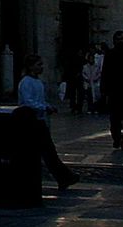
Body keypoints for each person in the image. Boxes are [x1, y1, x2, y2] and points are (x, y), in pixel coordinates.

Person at [16, 56, 79, 189]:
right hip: (30, 121)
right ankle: (64, 177)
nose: (41, 67)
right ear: (31, 66)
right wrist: (44, 107)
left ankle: (63, 177)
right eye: (39, 65)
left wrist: (47, 106)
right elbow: (28, 102)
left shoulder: (38, 82)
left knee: (47, 152)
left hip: (39, 121)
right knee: (46, 152)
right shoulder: (26, 82)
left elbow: (39, 100)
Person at [82, 50, 102, 115]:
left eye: (92, 58)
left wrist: (96, 78)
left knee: (96, 97)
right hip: (88, 84)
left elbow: (99, 73)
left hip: (95, 83)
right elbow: (83, 74)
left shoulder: (96, 66)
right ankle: (90, 108)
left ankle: (95, 108)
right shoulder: (85, 66)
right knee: (89, 97)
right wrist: (86, 78)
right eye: (90, 58)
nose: (91, 60)